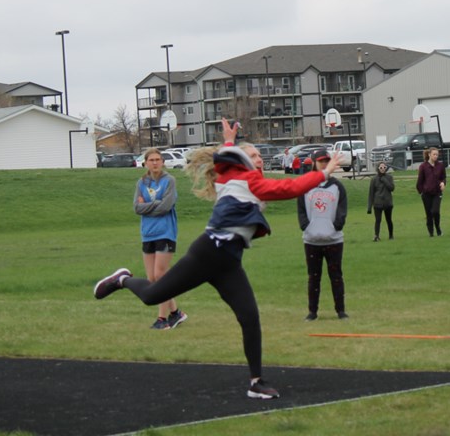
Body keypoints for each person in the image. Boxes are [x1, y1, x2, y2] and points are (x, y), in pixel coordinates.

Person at [93, 119, 341, 400]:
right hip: (207, 253)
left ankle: (256, 381)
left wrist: (228, 141)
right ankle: (122, 279)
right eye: (254, 155)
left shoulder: (235, 177)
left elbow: (230, 163)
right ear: (243, 162)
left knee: (249, 317)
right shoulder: (245, 180)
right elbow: (287, 189)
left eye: (260, 155)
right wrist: (324, 174)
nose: (260, 158)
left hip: (228, 263)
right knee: (151, 296)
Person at [134, 147, 186, 330]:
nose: (155, 163)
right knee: (152, 279)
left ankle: (162, 319)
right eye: (151, 160)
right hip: (147, 233)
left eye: (158, 159)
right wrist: (155, 204)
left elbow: (166, 206)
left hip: (165, 233)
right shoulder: (141, 183)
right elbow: (136, 208)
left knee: (160, 275)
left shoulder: (169, 181)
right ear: (145, 162)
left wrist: (148, 205)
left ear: (162, 162)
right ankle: (176, 313)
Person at [297, 149, 348, 321]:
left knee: (336, 276)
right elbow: (301, 209)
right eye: (321, 161)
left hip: (333, 240)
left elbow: (342, 209)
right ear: (314, 163)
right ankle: (312, 312)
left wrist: (337, 225)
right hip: (311, 240)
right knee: (314, 277)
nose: (324, 164)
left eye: (327, 161)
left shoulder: (337, 186)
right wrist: (305, 226)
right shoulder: (306, 185)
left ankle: (340, 311)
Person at [416, 147, 446, 237]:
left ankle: (438, 228)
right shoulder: (423, 166)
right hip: (426, 194)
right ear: (429, 154)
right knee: (429, 214)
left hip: (437, 193)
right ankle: (431, 232)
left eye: (437, 154)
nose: (436, 156)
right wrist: (421, 192)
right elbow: (419, 181)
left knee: (435, 211)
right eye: (434, 154)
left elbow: (443, 177)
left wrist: (443, 183)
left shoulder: (440, 166)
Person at [367, 162, 395, 241]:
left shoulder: (389, 177)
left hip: (388, 203)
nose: (383, 169)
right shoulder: (374, 179)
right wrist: (369, 207)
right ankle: (376, 236)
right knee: (378, 220)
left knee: (389, 220)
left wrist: (384, 180)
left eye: (384, 167)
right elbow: (371, 193)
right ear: (378, 169)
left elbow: (392, 188)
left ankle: (391, 235)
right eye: (381, 167)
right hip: (377, 203)